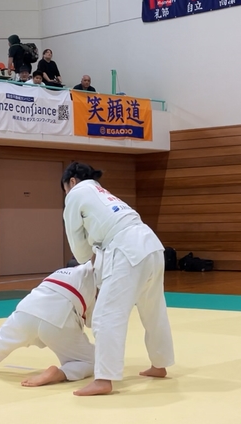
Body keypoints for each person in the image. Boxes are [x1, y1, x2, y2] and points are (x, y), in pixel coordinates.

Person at [61, 162, 174, 396]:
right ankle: (159, 364)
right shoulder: (103, 193)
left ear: (71, 181)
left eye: (64, 189)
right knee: (153, 309)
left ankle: (104, 379)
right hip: (152, 245)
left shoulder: (76, 193)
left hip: (126, 250)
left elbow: (80, 251)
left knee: (106, 315)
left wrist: (90, 253)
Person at [0, 261, 96, 388]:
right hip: (58, 318)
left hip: (27, 309)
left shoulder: (64, 272)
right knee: (91, 361)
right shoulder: (101, 281)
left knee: (1, 338)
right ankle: (60, 374)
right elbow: (95, 321)